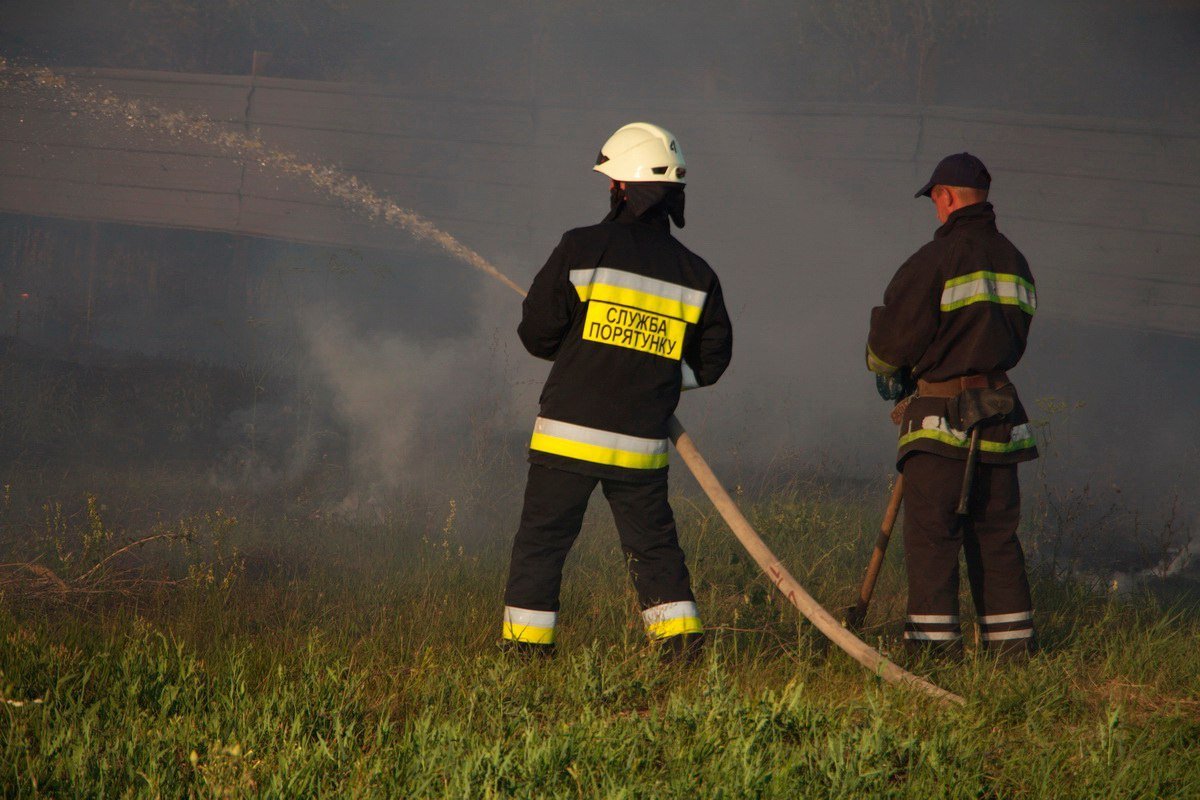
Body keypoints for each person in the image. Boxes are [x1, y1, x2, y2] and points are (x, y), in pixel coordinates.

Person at [502, 122, 733, 659]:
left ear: (622, 187)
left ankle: (525, 658)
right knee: (654, 551)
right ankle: (681, 652)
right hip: (640, 445)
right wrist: (654, 375)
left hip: (567, 436)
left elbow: (537, 335)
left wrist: (586, 350)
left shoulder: (582, 247)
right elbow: (712, 362)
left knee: (542, 545)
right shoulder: (696, 274)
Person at [866, 152, 1038, 659]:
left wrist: (888, 368)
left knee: (933, 539)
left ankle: (933, 656)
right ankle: (1013, 654)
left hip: (941, 424)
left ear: (944, 197)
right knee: (996, 538)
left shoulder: (935, 260)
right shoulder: (1016, 263)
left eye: (935, 200)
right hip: (1000, 420)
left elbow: (889, 343)